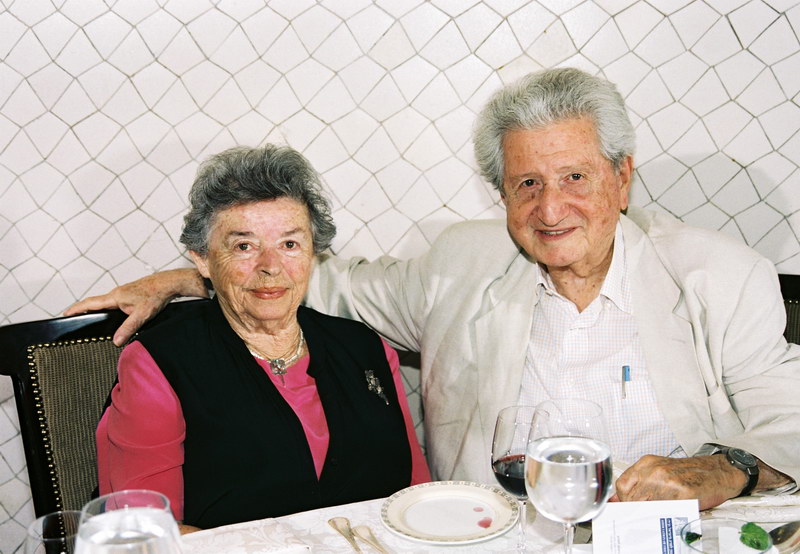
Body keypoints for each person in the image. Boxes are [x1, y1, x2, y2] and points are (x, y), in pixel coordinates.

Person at [71, 68, 798, 511]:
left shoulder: (719, 276)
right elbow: (313, 280)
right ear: (501, 194)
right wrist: (194, 274)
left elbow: (792, 422)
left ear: (623, 176)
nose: (551, 209)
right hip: (496, 536)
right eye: (526, 183)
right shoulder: (460, 264)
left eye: (575, 177)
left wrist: (727, 468)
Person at [94, 145, 429, 532]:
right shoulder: (159, 364)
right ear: (202, 259)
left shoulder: (366, 348)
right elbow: (145, 529)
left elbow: (413, 498)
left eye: (290, 244)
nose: (271, 267)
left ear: (312, 254)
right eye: (244, 246)